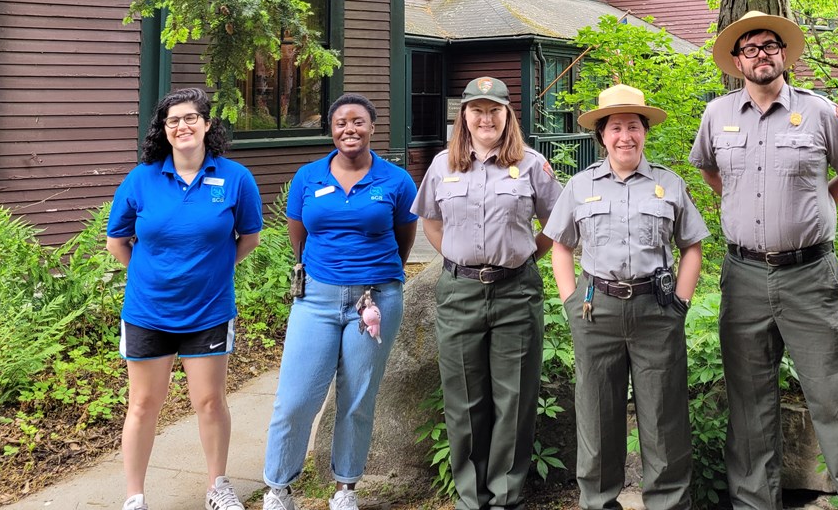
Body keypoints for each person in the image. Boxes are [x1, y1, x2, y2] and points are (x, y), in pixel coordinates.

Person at [688, 12, 838, 510]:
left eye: (770, 46)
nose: (761, 55)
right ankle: (755, 503)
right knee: (749, 404)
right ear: (737, 61)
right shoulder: (717, 115)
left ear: (784, 55)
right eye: (749, 48)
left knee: (834, 398)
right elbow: (711, 171)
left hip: (809, 275)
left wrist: (817, 206)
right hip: (744, 275)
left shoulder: (820, 112)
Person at [545, 84, 708, 510]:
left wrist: (681, 304)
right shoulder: (580, 186)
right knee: (597, 414)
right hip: (596, 311)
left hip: (656, 309)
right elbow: (560, 245)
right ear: (602, 135)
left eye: (633, 127)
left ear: (644, 132)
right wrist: (569, 302)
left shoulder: (668, 184)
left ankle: (668, 503)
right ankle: (599, 501)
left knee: (663, 415)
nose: (625, 136)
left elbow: (692, 245)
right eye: (615, 127)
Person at [106, 88, 264, 510]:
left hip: (209, 311)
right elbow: (117, 240)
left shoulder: (235, 178)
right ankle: (134, 497)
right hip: (147, 312)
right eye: (173, 121)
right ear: (164, 130)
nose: (183, 126)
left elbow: (249, 237)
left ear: (207, 124)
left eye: (191, 118)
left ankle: (218, 487)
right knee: (141, 404)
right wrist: (148, 275)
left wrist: (215, 267)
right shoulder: (142, 179)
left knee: (210, 402)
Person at [261, 93, 419, 510]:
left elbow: (404, 238)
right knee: (295, 398)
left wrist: (376, 276)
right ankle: (278, 488)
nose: (350, 129)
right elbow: (298, 233)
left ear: (372, 127)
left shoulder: (396, 180)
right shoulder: (308, 177)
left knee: (357, 398)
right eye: (341, 123)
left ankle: (345, 489)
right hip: (316, 299)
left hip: (376, 300)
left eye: (358, 122)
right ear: (331, 129)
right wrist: (316, 272)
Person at [412, 76, 563, 510]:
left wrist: (523, 256)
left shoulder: (533, 165)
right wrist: (460, 260)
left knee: (514, 398)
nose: (486, 118)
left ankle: (505, 498)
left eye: (494, 110)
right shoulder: (443, 165)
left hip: (516, 291)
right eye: (477, 110)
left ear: (507, 115)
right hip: (459, 292)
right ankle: (470, 498)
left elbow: (556, 222)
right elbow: (432, 223)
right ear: (464, 116)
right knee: (463, 399)